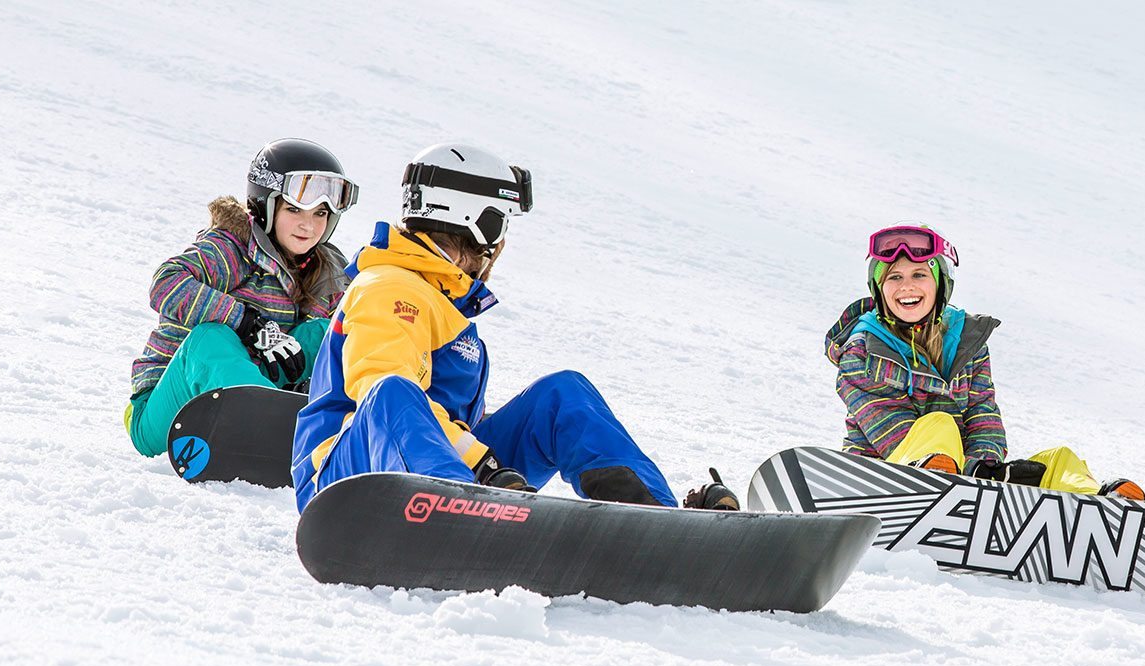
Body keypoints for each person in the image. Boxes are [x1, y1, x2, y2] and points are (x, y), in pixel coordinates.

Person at [290, 142, 738, 513]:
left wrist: (480, 463)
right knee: (393, 389)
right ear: (475, 218)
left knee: (563, 395)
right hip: (343, 481)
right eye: (500, 221)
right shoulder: (391, 287)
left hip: (446, 472)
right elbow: (379, 394)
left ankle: (651, 518)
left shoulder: (439, 299)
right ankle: (459, 508)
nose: (501, 242)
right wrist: (481, 466)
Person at [824, 223, 1145, 499]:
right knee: (940, 424)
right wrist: (971, 472)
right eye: (894, 277)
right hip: (882, 480)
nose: (907, 286)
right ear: (879, 289)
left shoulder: (967, 342)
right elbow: (890, 430)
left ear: (940, 285)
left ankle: (1101, 509)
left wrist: (987, 466)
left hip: (964, 479)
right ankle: (938, 479)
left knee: (1060, 459)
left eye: (919, 274)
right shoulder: (862, 350)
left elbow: (983, 413)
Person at [125, 138, 358, 457]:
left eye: (320, 213)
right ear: (267, 205)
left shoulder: (328, 275)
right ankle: (266, 428)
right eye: (294, 209)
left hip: (255, 393)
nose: (308, 225)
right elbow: (167, 283)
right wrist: (245, 322)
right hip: (168, 408)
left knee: (335, 333)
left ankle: (332, 432)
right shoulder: (232, 248)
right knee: (210, 338)